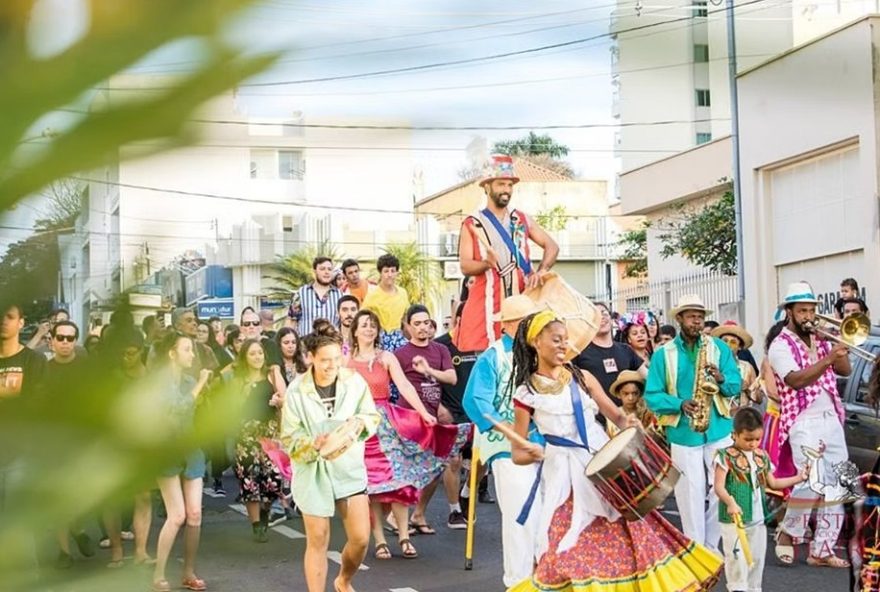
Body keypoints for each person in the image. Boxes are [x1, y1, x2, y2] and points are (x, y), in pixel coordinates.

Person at [507, 311, 723, 591]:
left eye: (566, 340)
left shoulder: (581, 377)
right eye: (556, 340)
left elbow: (618, 417)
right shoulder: (526, 394)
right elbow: (518, 454)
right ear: (536, 341)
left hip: (605, 468)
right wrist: (536, 453)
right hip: (563, 477)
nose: (563, 345)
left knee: (628, 541)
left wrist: (631, 425)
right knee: (565, 548)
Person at [347, 309, 468, 560]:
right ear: (355, 331)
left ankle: (404, 537)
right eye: (364, 325)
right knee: (374, 487)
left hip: (386, 425)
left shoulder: (386, 357)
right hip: (360, 428)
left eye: (373, 325)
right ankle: (380, 540)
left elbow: (404, 386)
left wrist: (424, 412)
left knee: (398, 481)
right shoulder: (345, 362)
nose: (369, 329)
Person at [280, 324, 380, 592]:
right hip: (312, 472)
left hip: (348, 467)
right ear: (310, 357)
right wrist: (312, 444)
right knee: (318, 539)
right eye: (325, 360)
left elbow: (371, 416)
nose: (332, 365)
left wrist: (359, 424)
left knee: (360, 538)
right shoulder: (296, 391)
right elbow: (289, 438)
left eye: (337, 358)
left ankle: (343, 580)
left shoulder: (354, 382)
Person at [645, 294, 742, 551]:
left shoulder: (718, 348)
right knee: (690, 492)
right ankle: (696, 548)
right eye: (691, 317)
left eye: (700, 317)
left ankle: (711, 544)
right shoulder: (663, 354)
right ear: (679, 319)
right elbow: (652, 395)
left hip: (718, 427)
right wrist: (679, 404)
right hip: (683, 431)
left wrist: (721, 379)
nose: (697, 321)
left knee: (724, 487)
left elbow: (735, 384)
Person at [462, 294, 543, 588]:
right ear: (507, 325)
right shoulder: (493, 356)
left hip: (543, 443)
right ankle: (518, 582)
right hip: (505, 446)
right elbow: (476, 402)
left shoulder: (540, 354)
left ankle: (543, 577)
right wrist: (509, 429)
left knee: (546, 514)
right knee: (520, 514)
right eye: (525, 322)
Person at [769, 282, 851, 568]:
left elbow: (845, 371)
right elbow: (795, 380)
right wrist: (828, 358)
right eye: (802, 310)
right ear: (789, 312)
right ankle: (788, 532)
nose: (808, 316)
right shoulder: (780, 345)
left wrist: (839, 347)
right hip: (802, 419)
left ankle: (822, 549)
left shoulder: (821, 337)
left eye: (811, 310)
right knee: (808, 483)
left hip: (831, 416)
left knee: (838, 484)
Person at [457, 154, 559, 352]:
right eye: (501, 184)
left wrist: (541, 271)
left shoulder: (521, 219)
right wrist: (486, 263)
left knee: (527, 353)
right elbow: (465, 266)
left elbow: (552, 246)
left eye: (510, 185)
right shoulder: (472, 223)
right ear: (487, 187)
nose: (506, 190)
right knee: (490, 358)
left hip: (523, 301)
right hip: (486, 306)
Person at [714, 407, 809, 592]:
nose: (753, 444)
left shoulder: (761, 456)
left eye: (757, 439)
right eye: (748, 439)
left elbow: (773, 483)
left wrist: (798, 478)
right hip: (734, 520)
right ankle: (737, 589)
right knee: (736, 559)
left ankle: (753, 588)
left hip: (757, 518)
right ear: (735, 434)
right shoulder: (724, 456)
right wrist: (731, 503)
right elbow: (719, 486)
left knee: (756, 560)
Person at [394, 305, 465, 531]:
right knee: (408, 470)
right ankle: (396, 519)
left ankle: (419, 514)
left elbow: (451, 378)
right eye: (417, 324)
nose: (422, 327)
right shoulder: (400, 354)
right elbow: (396, 384)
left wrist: (429, 371)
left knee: (435, 469)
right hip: (409, 419)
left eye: (426, 322)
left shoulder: (440, 350)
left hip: (433, 418)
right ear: (408, 327)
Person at [152, 332, 212, 592]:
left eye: (192, 350)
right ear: (171, 353)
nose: (192, 354)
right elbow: (177, 409)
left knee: (195, 514)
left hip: (190, 450)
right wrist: (201, 383)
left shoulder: (189, 380)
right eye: (187, 349)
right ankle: (158, 574)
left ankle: (188, 572)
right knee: (177, 515)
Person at [435, 302, 493, 505]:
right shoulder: (441, 345)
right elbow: (431, 380)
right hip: (452, 413)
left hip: (478, 413)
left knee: (483, 459)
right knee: (453, 461)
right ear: (459, 319)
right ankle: (455, 510)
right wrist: (439, 407)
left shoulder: (485, 345)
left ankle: (469, 489)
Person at [231, 339, 284, 543]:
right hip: (246, 434)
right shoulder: (238, 380)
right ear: (245, 357)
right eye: (252, 353)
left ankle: (265, 511)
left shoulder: (272, 374)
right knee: (249, 479)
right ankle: (256, 525)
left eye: (260, 353)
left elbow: (285, 398)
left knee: (273, 478)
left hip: (269, 433)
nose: (257, 357)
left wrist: (278, 402)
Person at [573, 302, 646, 412]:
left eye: (604, 313)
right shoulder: (580, 352)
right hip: (596, 417)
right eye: (596, 315)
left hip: (627, 416)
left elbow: (647, 376)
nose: (601, 317)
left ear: (611, 320)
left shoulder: (625, 350)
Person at [712, 322, 760, 409]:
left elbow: (758, 399)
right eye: (725, 341)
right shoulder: (712, 365)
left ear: (739, 347)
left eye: (733, 342)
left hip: (741, 414)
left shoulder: (747, 367)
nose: (728, 345)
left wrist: (747, 388)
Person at [362, 254, 410, 334]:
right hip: (378, 336)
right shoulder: (372, 294)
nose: (390, 275)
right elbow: (362, 317)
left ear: (397, 273)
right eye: (386, 271)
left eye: (393, 271)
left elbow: (406, 316)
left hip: (398, 336)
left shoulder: (403, 292)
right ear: (380, 273)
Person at [293, 257, 342, 333]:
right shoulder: (301, 293)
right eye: (322, 269)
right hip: (306, 340)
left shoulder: (340, 295)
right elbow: (291, 320)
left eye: (329, 269)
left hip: (330, 340)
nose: (327, 272)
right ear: (314, 271)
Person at [606, 369, 659, 438]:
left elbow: (657, 436)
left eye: (635, 393)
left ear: (640, 393)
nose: (630, 398)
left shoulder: (648, 414)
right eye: (626, 393)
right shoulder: (614, 415)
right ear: (618, 394)